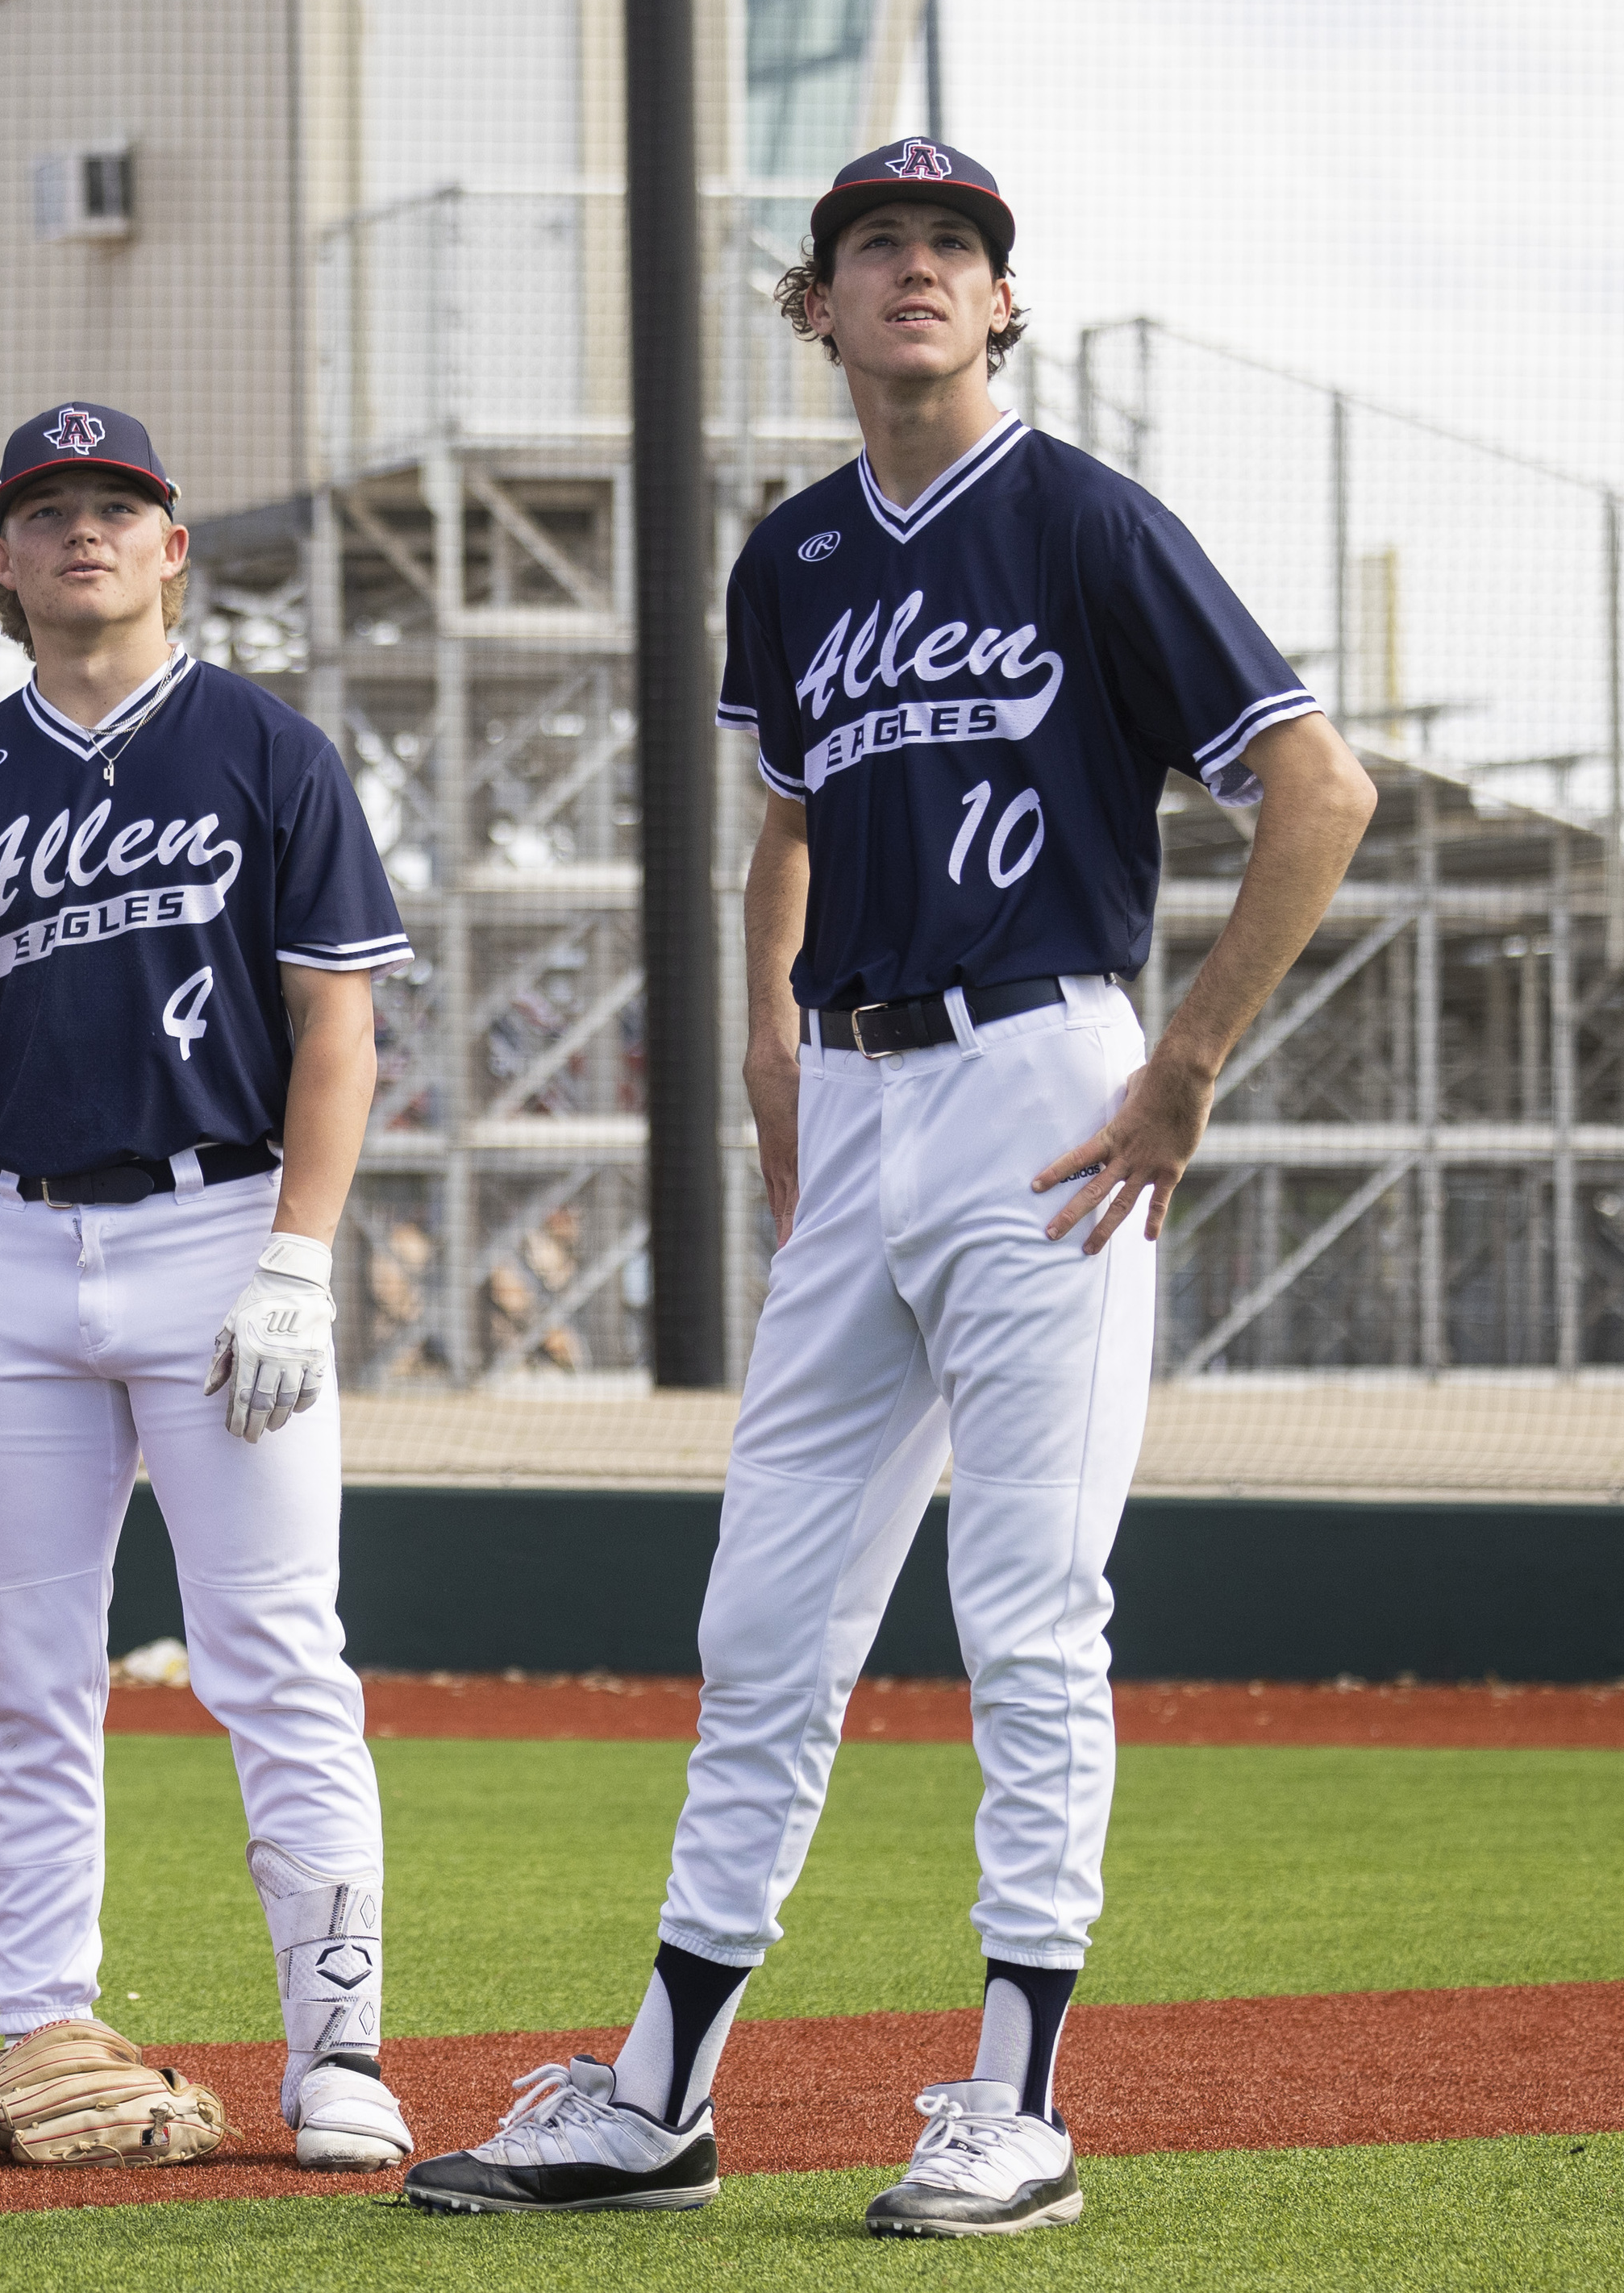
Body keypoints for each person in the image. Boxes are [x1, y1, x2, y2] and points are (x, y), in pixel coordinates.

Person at [402, 139, 1376, 2237]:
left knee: (1028, 1611)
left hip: (1049, 1077)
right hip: (856, 1101)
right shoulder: (793, 560)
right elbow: (786, 822)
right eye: (877, 247)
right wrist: (768, 1052)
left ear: (1002, 306)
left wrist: (1187, 1061)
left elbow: (1319, 787)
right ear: (818, 308)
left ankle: (1017, 2098)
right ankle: (659, 2092)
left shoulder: (1086, 521)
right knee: (764, 1622)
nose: (919, 270)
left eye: (956, 247)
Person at [0, 403, 420, 2174]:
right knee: (24, 1671)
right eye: (48, 509)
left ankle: (334, 2053)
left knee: (272, 1656)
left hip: (215, 1225)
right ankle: (42, 2039)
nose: (83, 529)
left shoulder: (264, 749)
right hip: (9, 1249)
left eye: (117, 505)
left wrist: (295, 1257)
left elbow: (338, 1020)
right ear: (1, 559)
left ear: (172, 548)